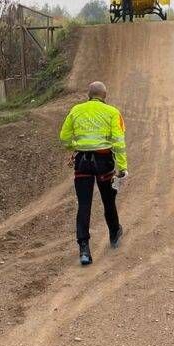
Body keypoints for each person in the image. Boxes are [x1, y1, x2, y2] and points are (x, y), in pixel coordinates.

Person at [59, 81, 127, 265]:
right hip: (104, 162)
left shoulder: (76, 110)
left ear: (89, 95)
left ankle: (84, 249)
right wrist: (123, 168)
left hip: (82, 162)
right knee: (108, 199)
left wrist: (78, 147)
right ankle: (114, 234)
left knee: (84, 204)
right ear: (105, 96)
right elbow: (119, 142)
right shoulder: (113, 112)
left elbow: (64, 138)